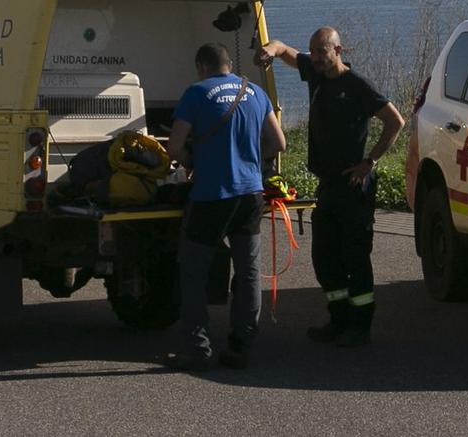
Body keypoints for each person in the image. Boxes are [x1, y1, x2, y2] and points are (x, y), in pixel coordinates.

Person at [257, 27, 403, 347]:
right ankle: (338, 320)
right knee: (325, 255)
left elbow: (396, 122)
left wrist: (370, 162)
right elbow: (285, 50)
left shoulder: (357, 85)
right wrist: (270, 49)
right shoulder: (316, 73)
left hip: (354, 186)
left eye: (322, 53)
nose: (317, 60)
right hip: (328, 184)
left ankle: (360, 326)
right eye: (314, 54)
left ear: (338, 50)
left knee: (355, 256)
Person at [163, 42, 284, 371]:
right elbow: (278, 143)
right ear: (228, 64)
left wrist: (191, 161)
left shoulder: (196, 93)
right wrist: (252, 165)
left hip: (210, 195)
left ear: (201, 66)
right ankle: (241, 346)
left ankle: (198, 348)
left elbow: (174, 147)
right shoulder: (256, 92)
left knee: (193, 271)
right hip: (250, 196)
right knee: (247, 273)